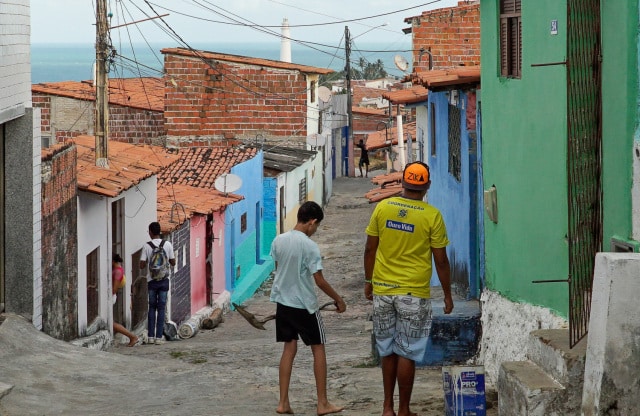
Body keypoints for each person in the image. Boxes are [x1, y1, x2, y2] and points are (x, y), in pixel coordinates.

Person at [363, 161, 454, 416]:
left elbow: (370, 249)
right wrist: (447, 295)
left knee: (387, 349)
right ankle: (404, 409)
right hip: (414, 294)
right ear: (427, 186)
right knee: (407, 351)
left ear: (403, 183)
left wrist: (368, 281)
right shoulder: (431, 216)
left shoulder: (383, 208)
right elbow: (441, 260)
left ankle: (387, 408)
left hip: (383, 291)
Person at [269, 201, 347, 416]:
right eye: (317, 226)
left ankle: (283, 403)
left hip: (283, 303)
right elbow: (319, 280)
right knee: (318, 348)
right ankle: (322, 403)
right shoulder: (309, 246)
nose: (315, 230)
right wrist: (338, 299)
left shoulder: (279, 240)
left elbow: (280, 268)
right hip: (304, 305)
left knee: (288, 349)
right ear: (312, 222)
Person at [139, 221, 176, 345]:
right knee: (161, 308)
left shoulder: (146, 246)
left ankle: (150, 336)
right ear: (159, 231)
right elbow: (173, 262)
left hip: (152, 281)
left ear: (150, 232)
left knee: (152, 308)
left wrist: (150, 261)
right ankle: (159, 337)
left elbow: (141, 264)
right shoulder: (168, 244)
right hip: (164, 281)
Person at [112, 253, 139, 347]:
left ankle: (132, 337)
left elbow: (114, 288)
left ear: (112, 261)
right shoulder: (118, 269)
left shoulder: (117, 271)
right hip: (112, 296)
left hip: (111, 297)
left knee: (111, 323)